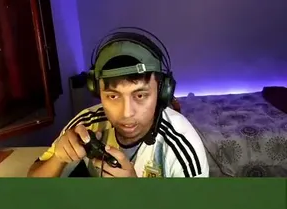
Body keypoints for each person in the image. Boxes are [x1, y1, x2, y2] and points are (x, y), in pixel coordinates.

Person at [28, 29, 207, 178]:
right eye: (113, 96)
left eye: (140, 95)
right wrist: (58, 159)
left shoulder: (183, 149)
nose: (126, 113)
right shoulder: (86, 124)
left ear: (162, 92)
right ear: (97, 92)